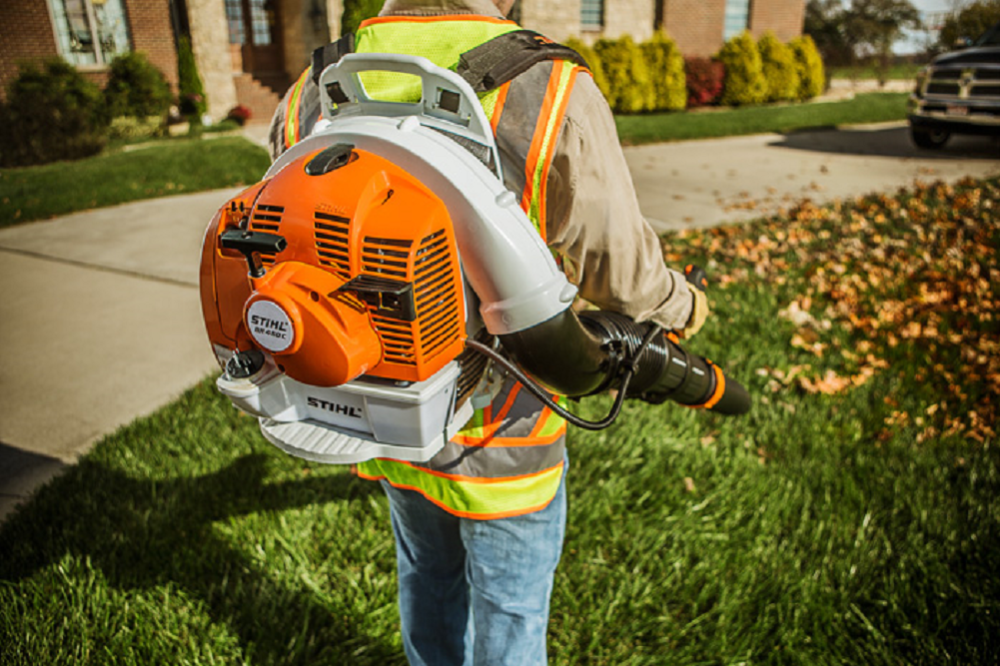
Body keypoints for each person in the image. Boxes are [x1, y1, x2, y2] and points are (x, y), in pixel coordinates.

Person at [268, 1, 708, 664]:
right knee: (511, 612)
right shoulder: (548, 85)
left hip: (390, 411)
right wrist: (684, 308)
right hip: (509, 427)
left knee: (426, 578)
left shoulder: (314, 88)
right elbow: (622, 274)